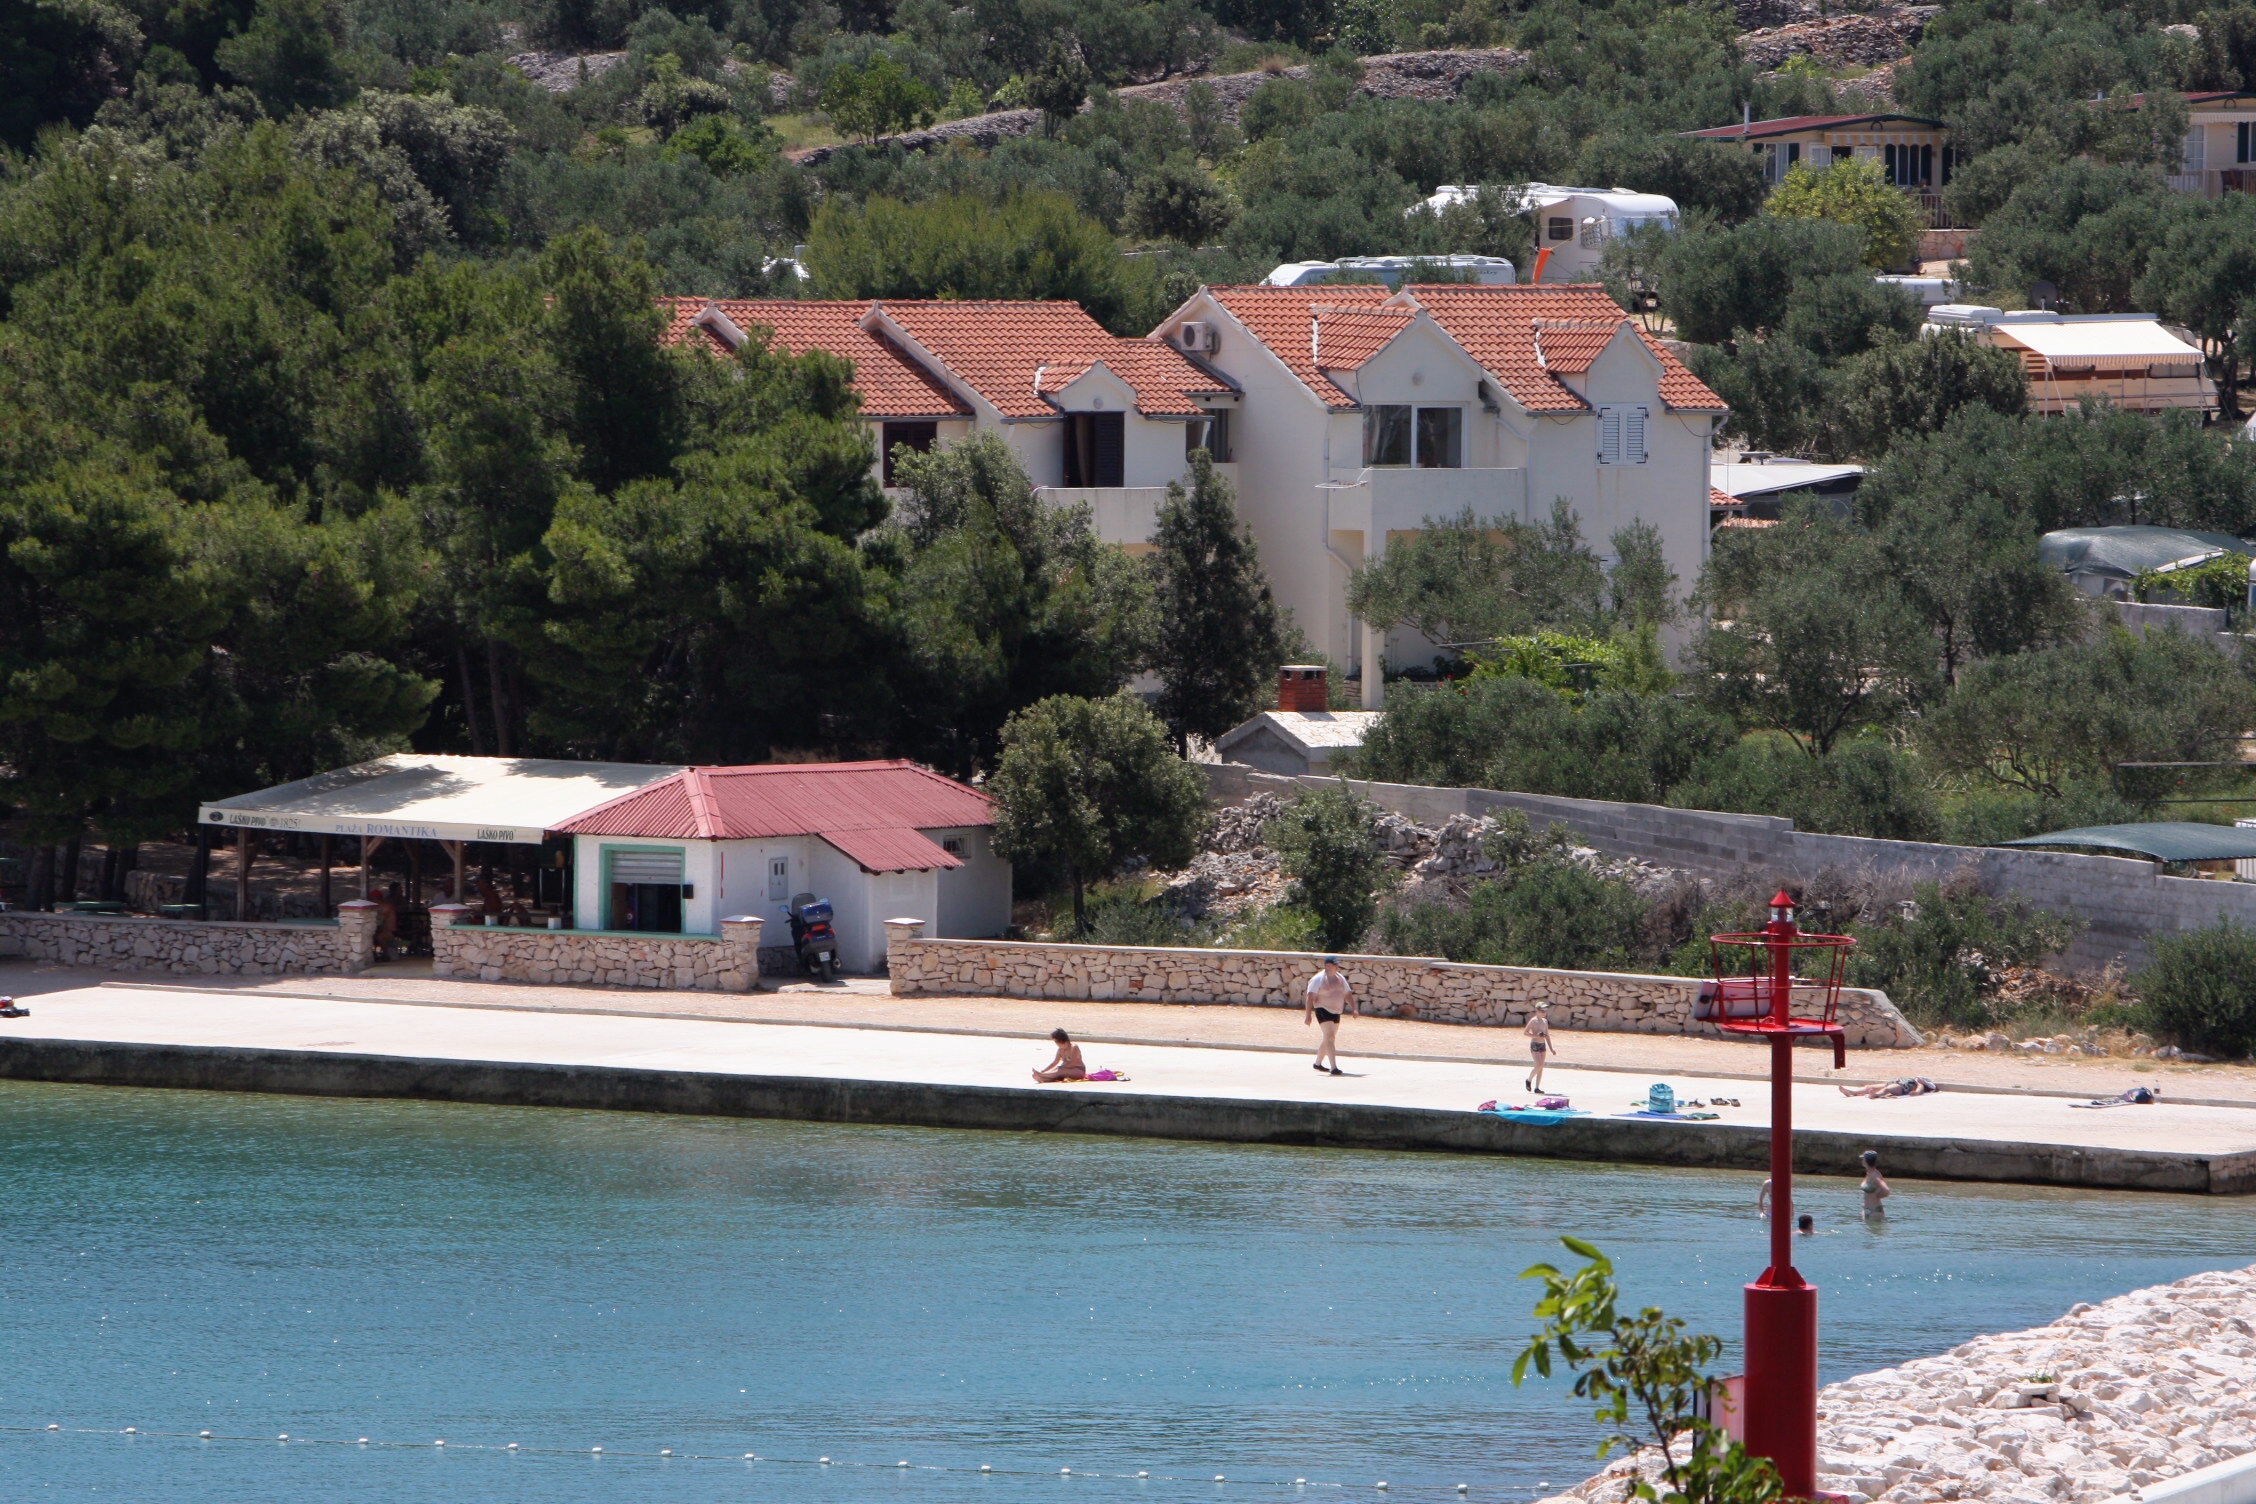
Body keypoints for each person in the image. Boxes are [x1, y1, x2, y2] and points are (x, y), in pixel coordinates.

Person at [1304, 957, 1356, 1076]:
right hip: (1322, 1009)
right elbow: (1310, 997)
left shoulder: (1340, 978)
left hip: (1336, 1011)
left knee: (1328, 1038)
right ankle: (1334, 1067)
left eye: (1336, 964)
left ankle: (1317, 1063)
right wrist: (1308, 1015)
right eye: (1333, 964)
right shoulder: (1318, 979)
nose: (1336, 966)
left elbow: (1347, 994)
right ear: (1327, 965)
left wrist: (1354, 1008)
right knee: (1330, 1037)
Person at [1524, 1006, 1556, 1092]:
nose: (1544, 1013)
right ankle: (1529, 1080)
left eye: (1545, 1011)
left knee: (1541, 1066)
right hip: (1535, 1044)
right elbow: (1525, 1032)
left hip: (1542, 1044)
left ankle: (1537, 1087)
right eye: (1542, 1011)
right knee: (1538, 1064)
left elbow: (1547, 1035)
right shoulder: (1533, 1021)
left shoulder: (1545, 1021)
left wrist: (1551, 1048)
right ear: (1537, 1011)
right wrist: (1536, 1036)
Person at [1839, 1076, 1940, 1099]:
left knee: (1887, 1089)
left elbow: (1917, 1092)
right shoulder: (1911, 1079)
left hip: (1902, 1087)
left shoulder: (1918, 1084)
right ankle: (1852, 1092)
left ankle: (1875, 1095)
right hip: (1894, 1082)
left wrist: (1915, 1092)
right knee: (1870, 1086)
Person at [1858, 1150, 1891, 1219]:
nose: (1862, 1161)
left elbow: (1886, 1191)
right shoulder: (1868, 1174)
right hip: (1866, 1210)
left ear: (1866, 1161)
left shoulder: (1876, 1176)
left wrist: (1877, 1196)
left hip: (1875, 1211)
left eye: (1863, 1159)